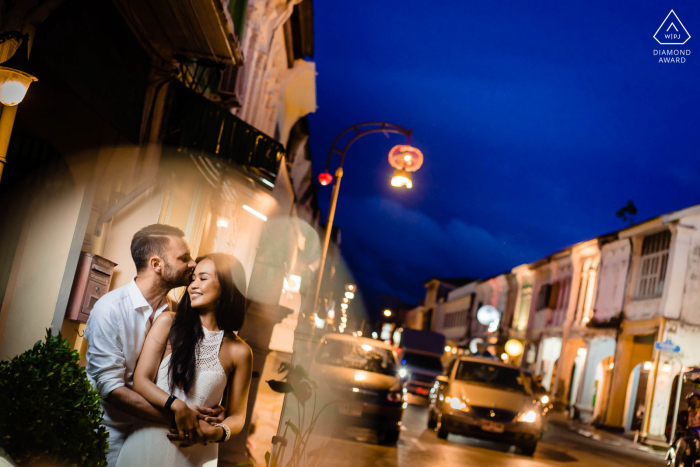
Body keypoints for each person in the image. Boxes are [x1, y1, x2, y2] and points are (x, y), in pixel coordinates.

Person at [84, 224, 222, 466]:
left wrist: (210, 407)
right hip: (107, 438)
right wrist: (178, 416)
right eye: (183, 258)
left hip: (153, 441)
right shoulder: (110, 310)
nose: (192, 264)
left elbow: (182, 375)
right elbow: (111, 388)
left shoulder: (176, 315)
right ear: (157, 264)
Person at [115, 253, 253, 467]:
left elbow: (237, 417)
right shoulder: (168, 323)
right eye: (192, 278)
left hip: (195, 455)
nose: (192, 285)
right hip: (147, 445)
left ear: (227, 285)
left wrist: (214, 433)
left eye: (203, 278)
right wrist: (177, 405)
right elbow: (141, 381)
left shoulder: (240, 352)